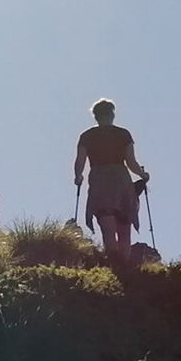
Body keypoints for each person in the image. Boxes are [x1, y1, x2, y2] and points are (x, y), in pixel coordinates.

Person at [73, 98, 149, 264]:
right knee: (124, 224)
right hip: (120, 178)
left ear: (95, 116)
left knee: (107, 222)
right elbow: (131, 162)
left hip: (99, 179)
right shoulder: (123, 134)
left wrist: (78, 176)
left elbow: (80, 162)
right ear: (112, 114)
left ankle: (113, 263)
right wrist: (143, 175)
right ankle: (125, 266)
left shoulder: (86, 136)